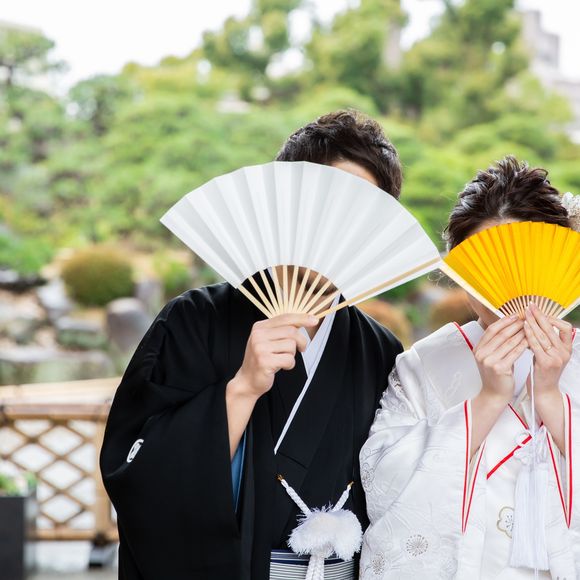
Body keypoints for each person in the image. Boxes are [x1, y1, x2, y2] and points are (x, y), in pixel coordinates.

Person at [100, 110, 404, 580]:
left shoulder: (379, 350)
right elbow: (137, 475)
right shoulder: (194, 321)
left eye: (362, 215)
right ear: (286, 206)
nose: (342, 229)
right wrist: (240, 390)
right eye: (328, 206)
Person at [359, 156, 580, 579]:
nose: (505, 286)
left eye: (523, 263)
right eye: (486, 269)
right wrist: (488, 400)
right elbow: (384, 483)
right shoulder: (423, 365)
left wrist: (552, 399)